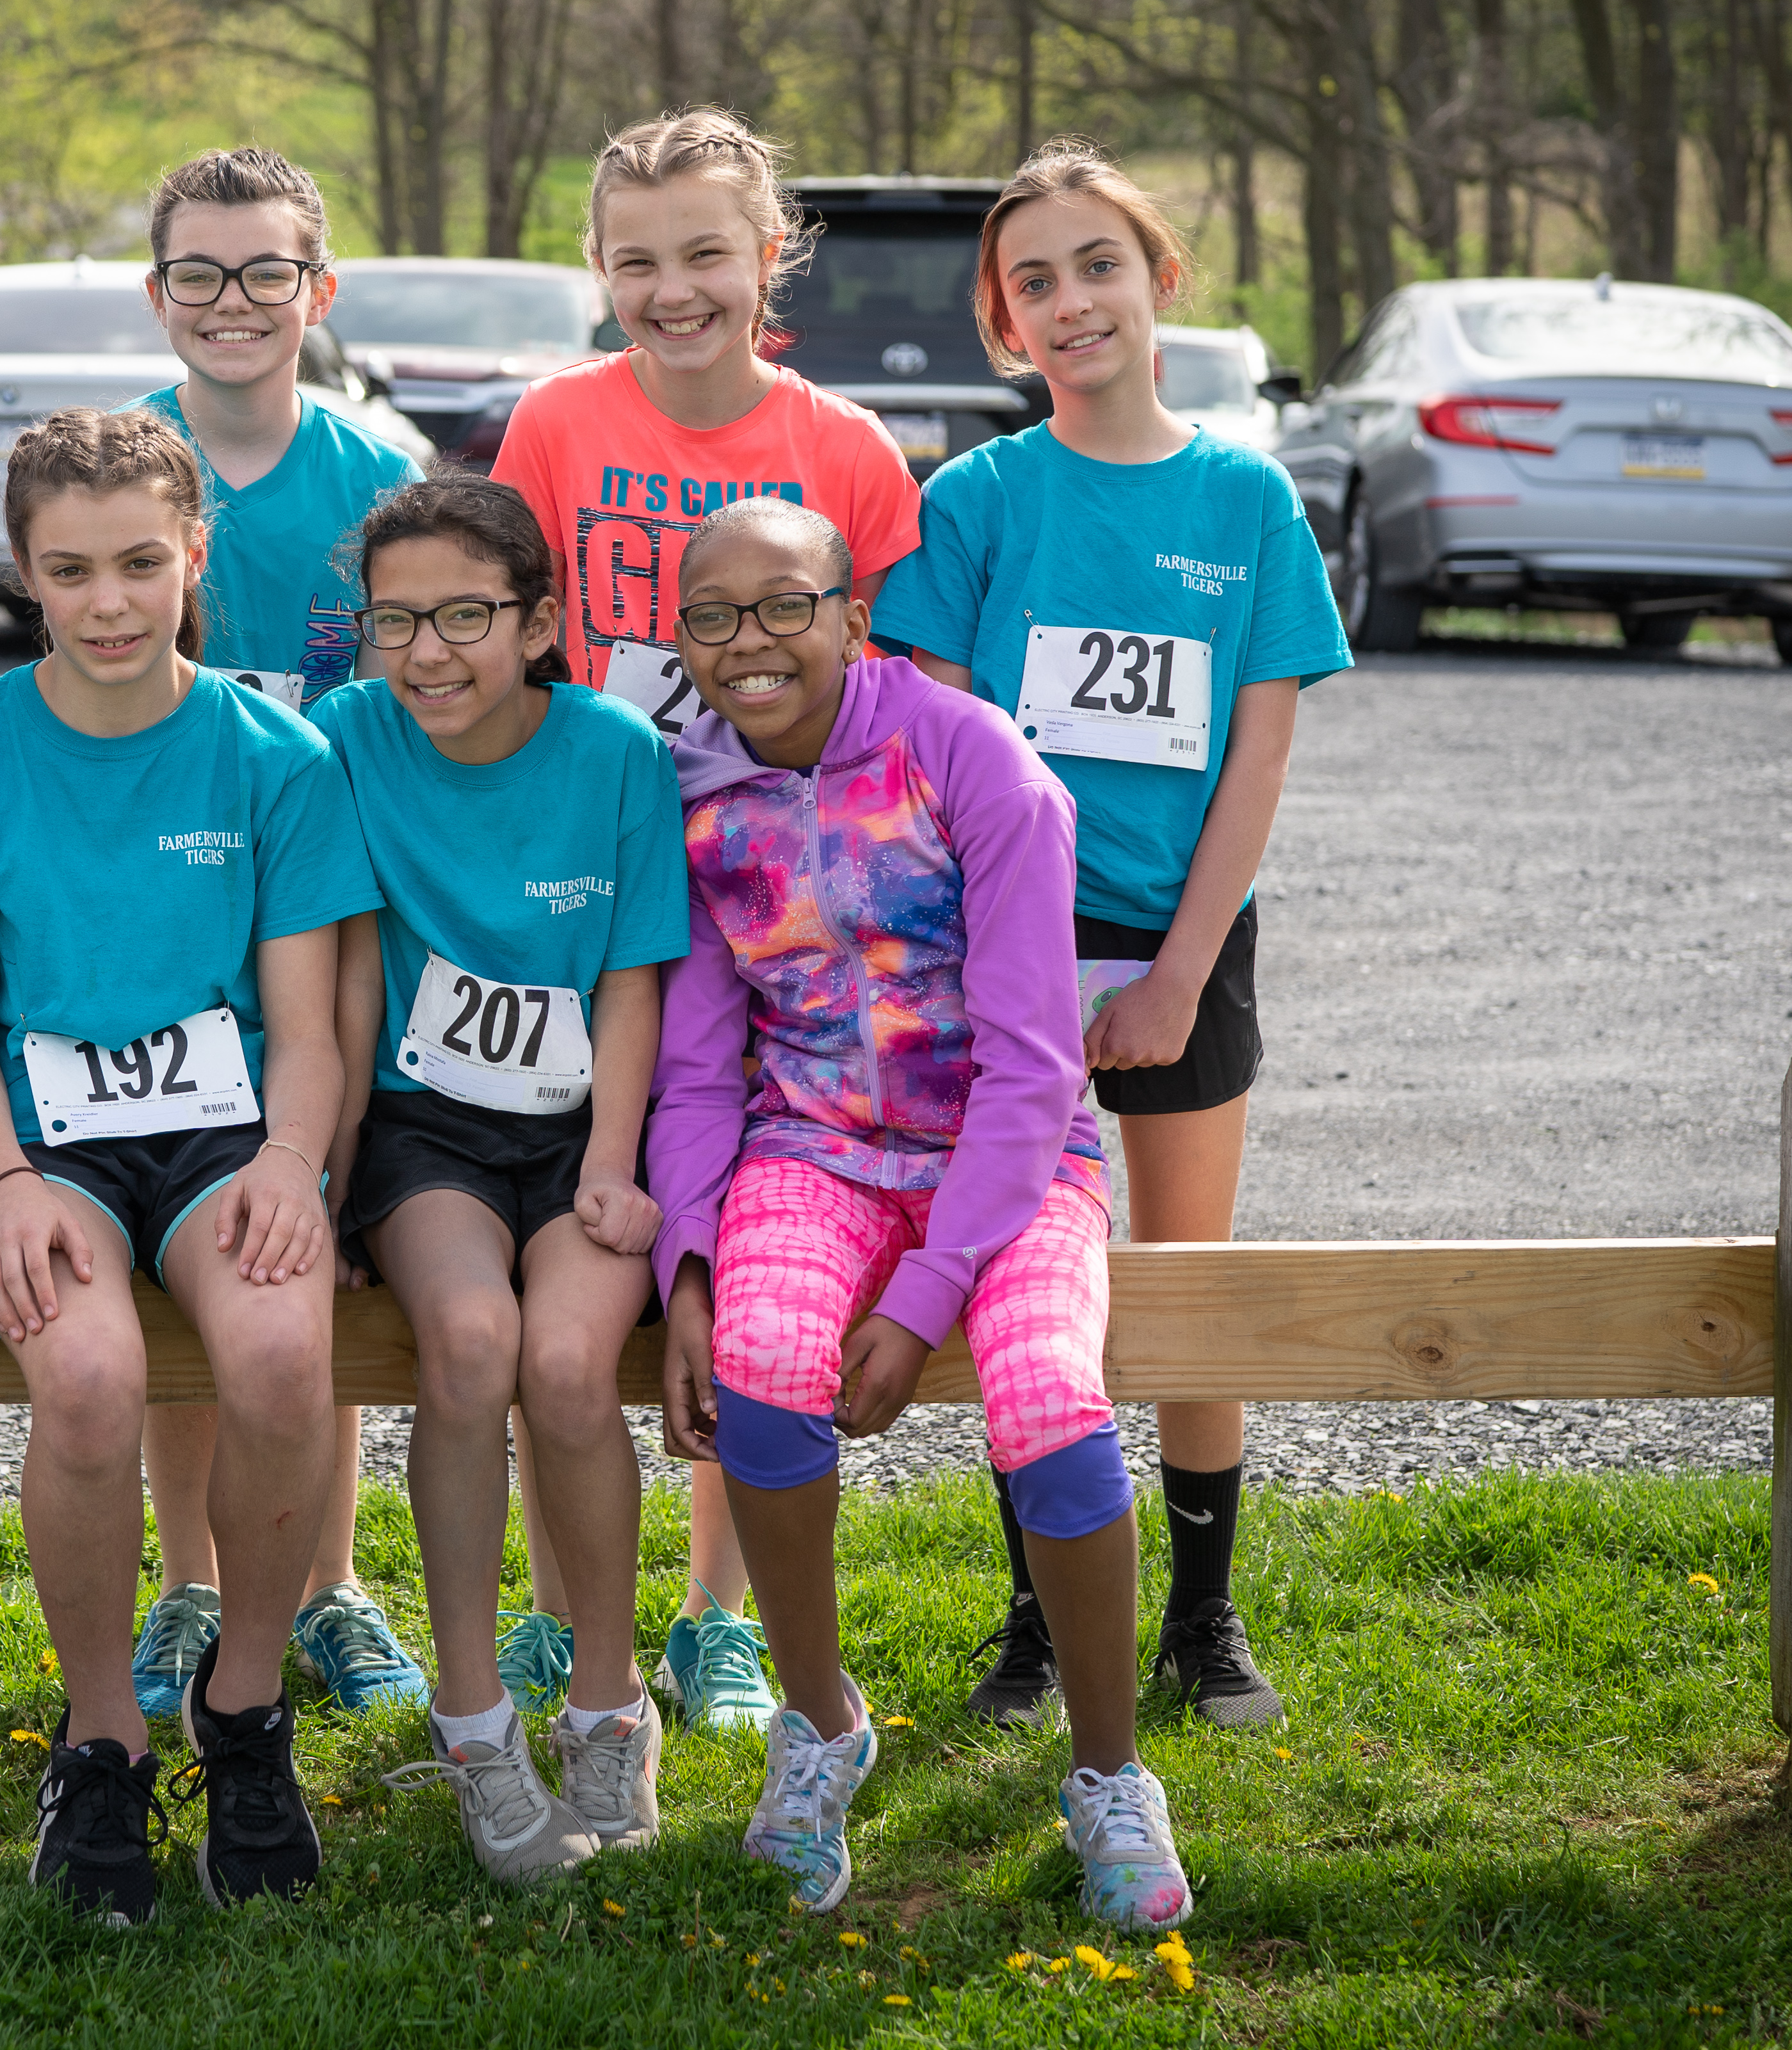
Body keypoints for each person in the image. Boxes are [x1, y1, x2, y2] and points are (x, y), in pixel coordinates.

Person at [647, 499, 1190, 1930]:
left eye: (784, 605)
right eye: (713, 616)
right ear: (680, 638)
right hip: (813, 1146)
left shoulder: (975, 761)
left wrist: (929, 1289)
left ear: (850, 615)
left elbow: (1031, 1056)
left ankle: (1110, 1768)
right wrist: (686, 1265)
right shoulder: (691, 797)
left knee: (1049, 1396)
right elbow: (698, 1068)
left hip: (1007, 1164)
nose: (750, 641)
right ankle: (820, 1721)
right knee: (762, 1363)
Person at [868, 140, 1348, 1733]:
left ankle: (1205, 1622)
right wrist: (1008, 968)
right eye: (1033, 283)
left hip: (1182, 932)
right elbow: (927, 740)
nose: (1070, 301)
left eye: (1097, 266)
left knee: (1187, 1272)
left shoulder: (1249, 498)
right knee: (1031, 1280)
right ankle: (1035, 1621)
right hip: (1005, 945)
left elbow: (1258, 749)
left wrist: (1181, 972)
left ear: (1159, 282)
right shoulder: (980, 499)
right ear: (1006, 325)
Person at [0, 407, 377, 1923]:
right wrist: (4, 1182)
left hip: (227, 1125)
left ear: (195, 554)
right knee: (86, 1378)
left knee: (286, 1353)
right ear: (24, 573)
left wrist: (298, 1157)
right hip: (41, 1141)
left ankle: (242, 1709)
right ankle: (99, 1738)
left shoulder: (275, 753)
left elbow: (305, 1023)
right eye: (72, 569)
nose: (109, 601)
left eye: (142, 563)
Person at [484, 106, 926, 1735]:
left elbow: (900, 696)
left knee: (756, 1234)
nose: (675, 289)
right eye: (638, 259)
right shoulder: (554, 422)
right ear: (601, 272)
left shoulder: (846, 447)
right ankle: (548, 1605)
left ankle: (717, 1612)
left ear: (769, 257)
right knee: (574, 1241)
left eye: (707, 254)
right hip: (590, 882)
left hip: (781, 907)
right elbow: (516, 650)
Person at [321, 479, 686, 1885]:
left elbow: (639, 975)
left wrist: (611, 1165)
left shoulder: (612, 753)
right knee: (471, 1344)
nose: (427, 652)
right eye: (396, 619)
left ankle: (607, 1704)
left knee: (575, 1361)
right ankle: (474, 1718)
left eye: (464, 615)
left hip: (586, 1125)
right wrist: (332, 1178)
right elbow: (336, 979)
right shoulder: (344, 741)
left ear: (541, 620)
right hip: (427, 1135)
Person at [122, 146, 430, 1729]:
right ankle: (188, 1579)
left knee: (308, 1218)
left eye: (266, 274)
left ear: (318, 294)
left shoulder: (382, 472)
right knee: (186, 1225)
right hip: (162, 912)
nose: (232, 302)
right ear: (155, 291)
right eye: (200, 273)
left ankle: (330, 1582)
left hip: (332, 902)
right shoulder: (124, 464)